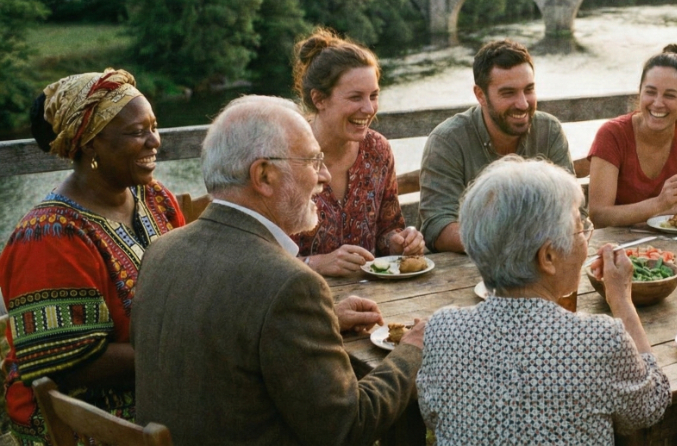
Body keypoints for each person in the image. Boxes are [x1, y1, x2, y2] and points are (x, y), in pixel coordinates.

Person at [131, 96, 423, 446]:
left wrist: (322, 320)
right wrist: (412, 351)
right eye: (313, 161)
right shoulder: (290, 285)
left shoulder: (161, 251)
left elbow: (234, 336)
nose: (325, 175)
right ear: (264, 176)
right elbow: (347, 427)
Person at [417, 156, 670, 444]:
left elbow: (432, 414)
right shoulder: (599, 339)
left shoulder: (442, 330)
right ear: (548, 257)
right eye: (580, 229)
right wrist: (621, 300)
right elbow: (651, 405)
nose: (586, 240)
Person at [0, 69, 185, 445]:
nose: (155, 141)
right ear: (90, 144)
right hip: (88, 416)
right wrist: (188, 349)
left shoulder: (155, 198)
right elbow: (74, 365)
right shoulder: (50, 235)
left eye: (154, 127)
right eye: (136, 132)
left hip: (163, 383)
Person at [290, 29, 423, 277]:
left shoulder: (378, 150)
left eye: (373, 96)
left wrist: (399, 243)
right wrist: (317, 264)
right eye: (355, 97)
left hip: (373, 294)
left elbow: (387, 229)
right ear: (319, 99)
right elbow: (259, 255)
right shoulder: (285, 155)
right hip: (301, 294)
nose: (369, 108)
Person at [419, 39, 573, 252]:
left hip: (541, 260)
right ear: (480, 95)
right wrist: (511, 244)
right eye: (508, 93)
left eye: (529, 89)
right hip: (468, 265)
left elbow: (571, 210)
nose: (523, 103)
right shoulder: (447, 141)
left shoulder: (549, 131)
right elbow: (438, 226)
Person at [587, 45, 677, 228]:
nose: (658, 103)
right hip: (618, 241)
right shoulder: (612, 134)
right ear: (640, 92)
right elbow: (599, 215)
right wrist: (659, 204)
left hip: (673, 238)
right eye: (650, 92)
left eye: (670, 95)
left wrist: (663, 210)